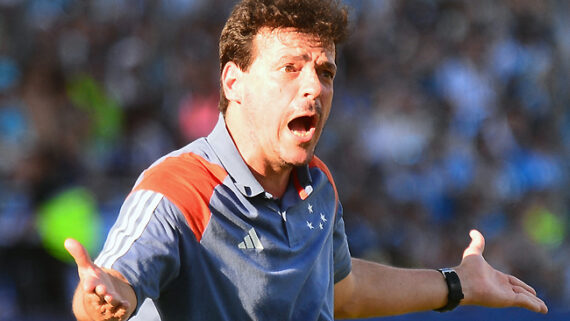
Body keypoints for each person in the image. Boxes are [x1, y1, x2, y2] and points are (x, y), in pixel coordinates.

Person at [64, 0, 548, 320]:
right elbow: (113, 283)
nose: (314, 87)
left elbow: (344, 291)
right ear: (234, 82)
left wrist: (456, 283)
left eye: (325, 71)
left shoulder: (317, 184)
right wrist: (101, 298)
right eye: (290, 68)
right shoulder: (178, 188)